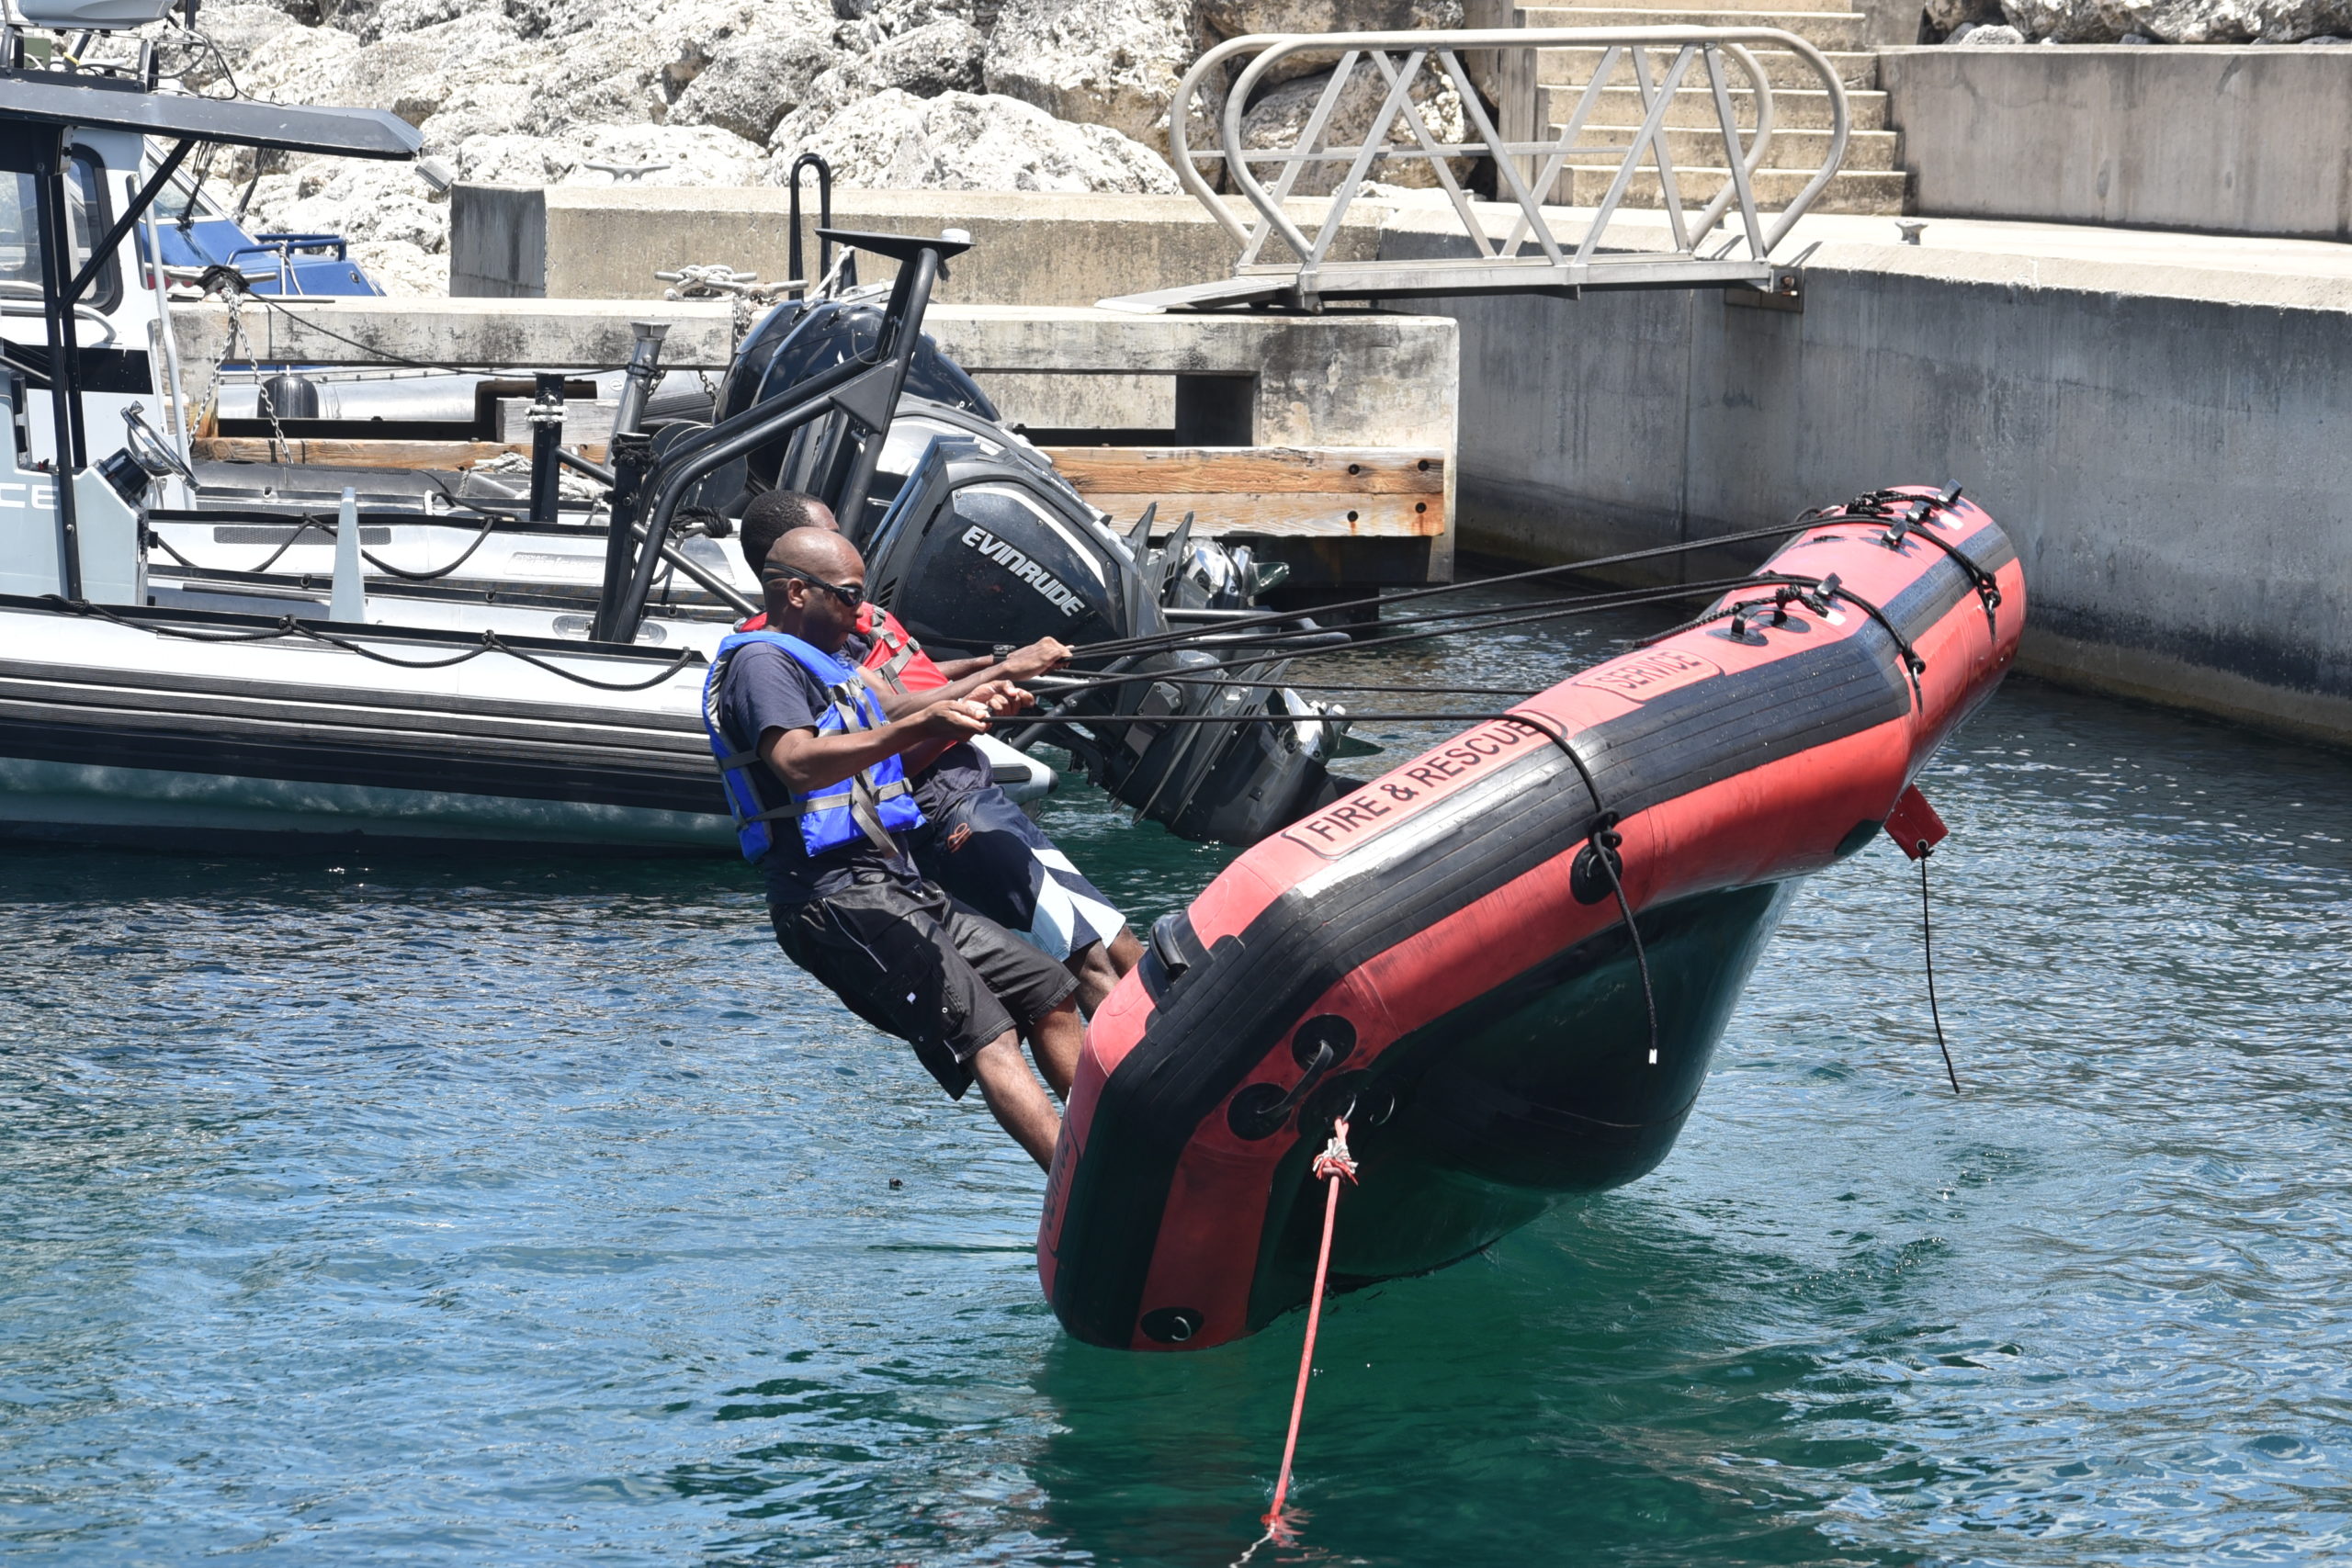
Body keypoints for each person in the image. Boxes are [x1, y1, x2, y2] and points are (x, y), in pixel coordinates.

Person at [702, 525, 1081, 1168]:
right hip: (832, 896)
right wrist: (920, 722)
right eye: (849, 596)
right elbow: (795, 761)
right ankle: (1079, 1193)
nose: (862, 612)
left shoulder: (835, 661)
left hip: (896, 881)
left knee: (1050, 990)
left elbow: (903, 730)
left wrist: (985, 695)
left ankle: (1114, 1150)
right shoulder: (761, 663)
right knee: (991, 1033)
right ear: (797, 591)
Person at [731, 490, 1143, 1011]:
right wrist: (998, 679)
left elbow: (901, 685)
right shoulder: (798, 644)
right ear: (794, 561)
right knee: (1087, 956)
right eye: (832, 535)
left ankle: (1171, 1058)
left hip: (972, 791)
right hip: (946, 808)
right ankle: (1145, 1078)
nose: (846, 545)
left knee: (1109, 941)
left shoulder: (844, 614)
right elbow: (889, 723)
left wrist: (988, 667)